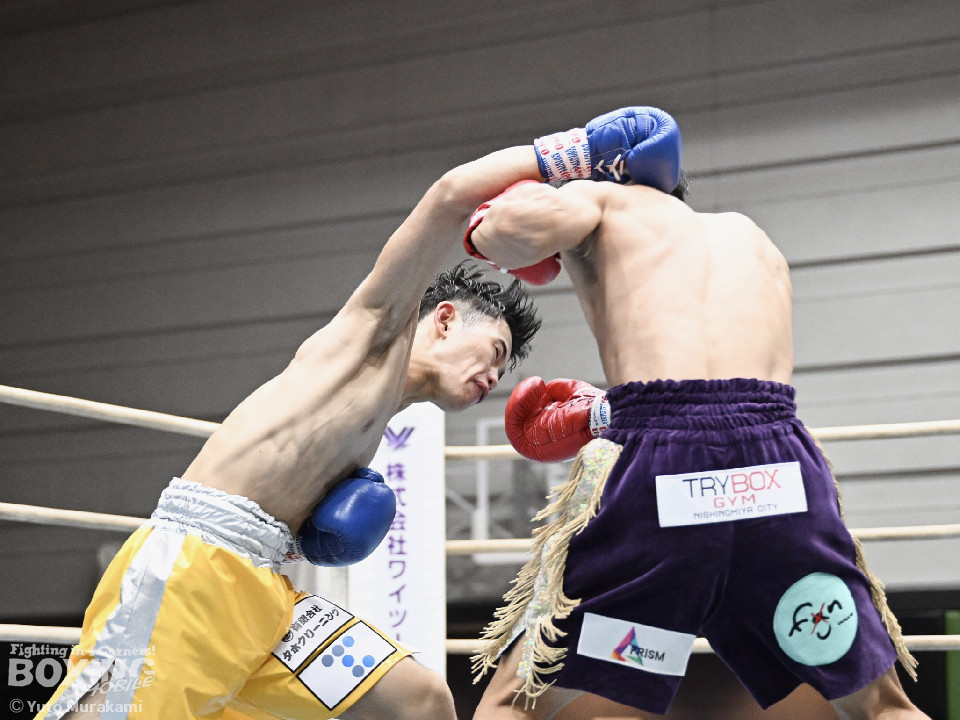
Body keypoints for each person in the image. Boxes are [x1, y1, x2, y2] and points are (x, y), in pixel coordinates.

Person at [34, 106, 672, 720]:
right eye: (495, 353)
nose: (493, 379)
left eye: (503, 373)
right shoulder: (373, 333)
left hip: (269, 592)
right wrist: (578, 155)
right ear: (444, 320)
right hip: (195, 566)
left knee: (422, 701)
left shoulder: (374, 423)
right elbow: (450, 195)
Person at [465, 108, 928, 719]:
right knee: (883, 706)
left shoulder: (604, 202)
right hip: (779, 470)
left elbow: (497, 230)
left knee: (514, 700)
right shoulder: (752, 237)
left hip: (664, 467)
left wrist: (557, 170)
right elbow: (721, 385)